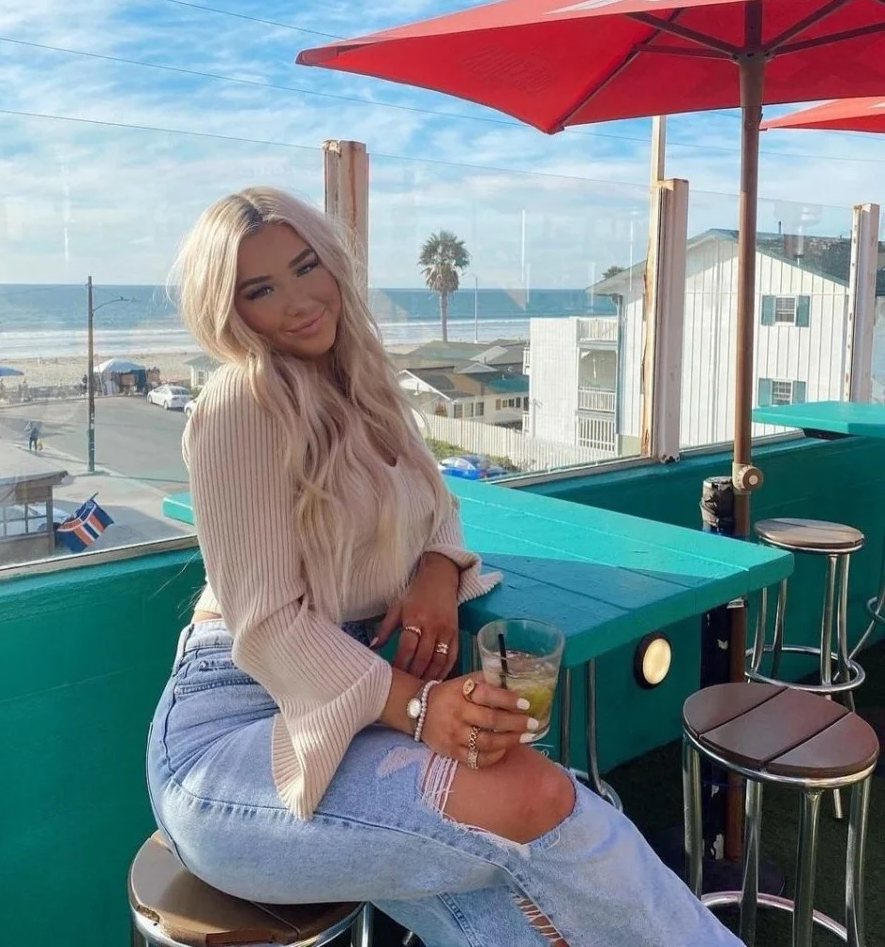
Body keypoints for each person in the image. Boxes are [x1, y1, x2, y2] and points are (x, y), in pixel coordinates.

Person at [146, 187, 741, 947]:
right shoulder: (240, 402)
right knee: (541, 799)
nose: (298, 302)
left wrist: (434, 568)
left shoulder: (359, 388)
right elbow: (267, 627)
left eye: (305, 268)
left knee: (527, 908)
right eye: (261, 289)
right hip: (234, 744)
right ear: (231, 311)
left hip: (347, 711)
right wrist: (422, 710)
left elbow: (440, 506)